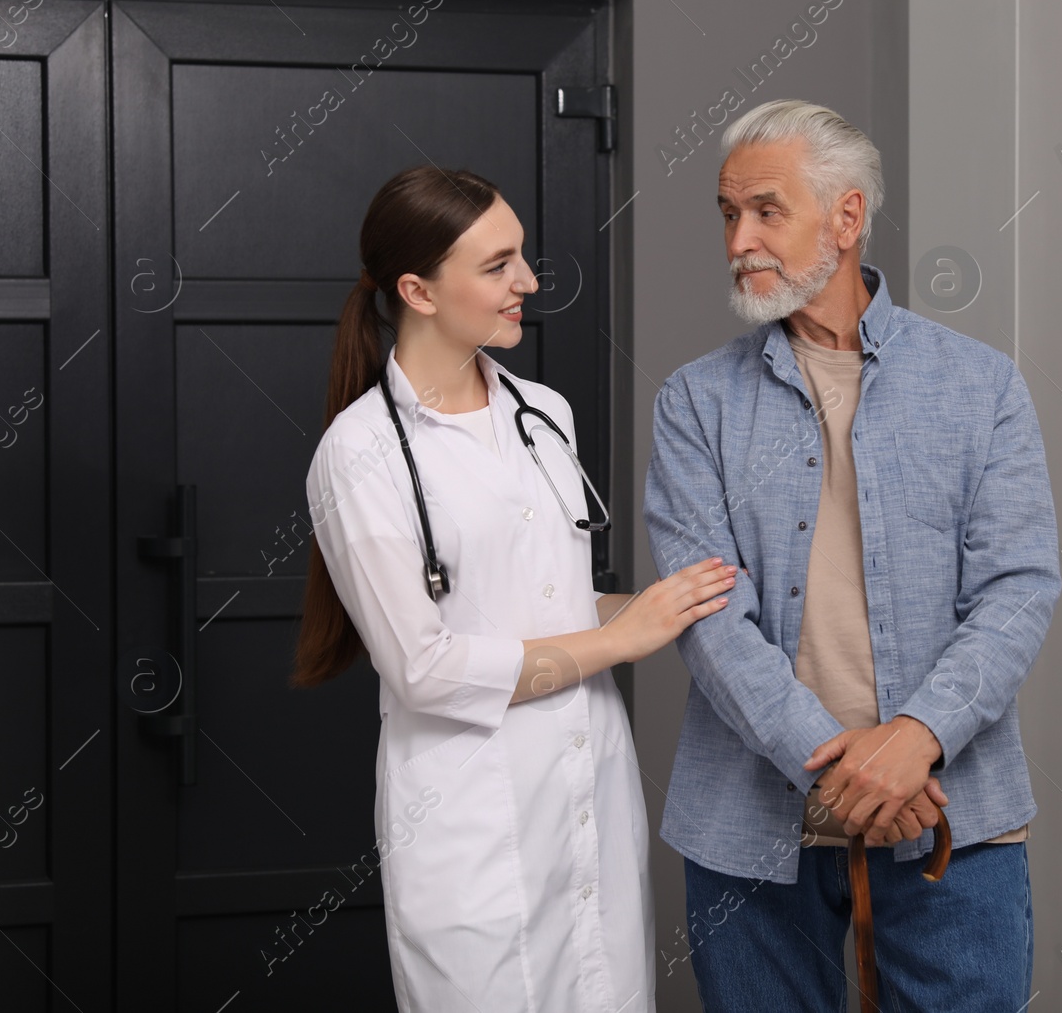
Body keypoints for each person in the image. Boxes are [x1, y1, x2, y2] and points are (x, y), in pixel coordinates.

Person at [643, 99, 1062, 1010]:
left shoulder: (981, 384)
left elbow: (1018, 590)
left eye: (765, 210)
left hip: (954, 814)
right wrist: (838, 765)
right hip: (748, 830)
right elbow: (707, 616)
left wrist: (917, 740)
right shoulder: (693, 403)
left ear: (846, 215)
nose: (738, 240)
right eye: (727, 214)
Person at [293, 164, 735, 1013]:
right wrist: (619, 639)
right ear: (418, 290)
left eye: (521, 256)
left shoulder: (545, 413)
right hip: (472, 824)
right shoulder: (359, 456)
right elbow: (423, 666)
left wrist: (662, 605)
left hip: (590, 797)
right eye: (498, 265)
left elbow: (548, 603)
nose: (528, 281)